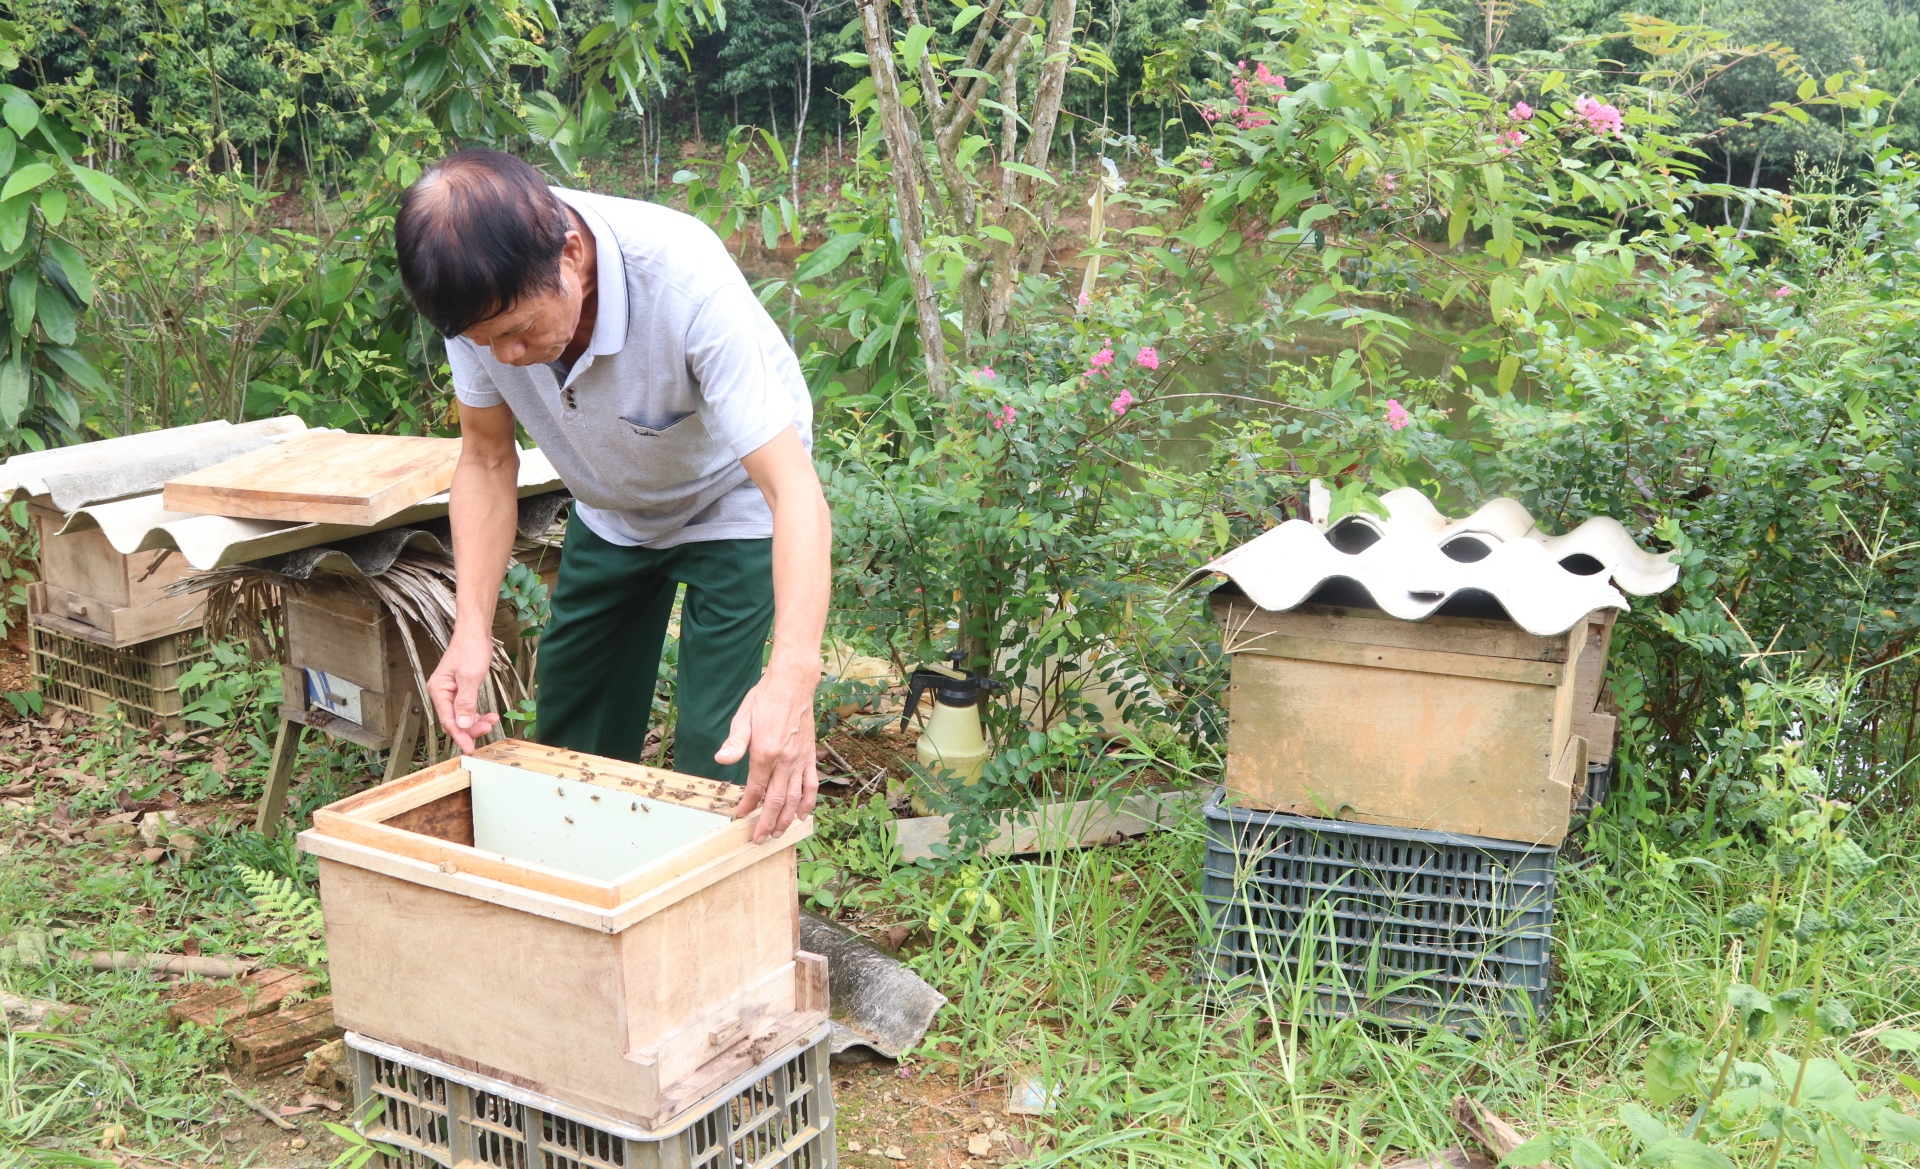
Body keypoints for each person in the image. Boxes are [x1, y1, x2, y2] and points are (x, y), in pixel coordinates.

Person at [393, 149, 829, 842]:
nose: (504, 357)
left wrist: (793, 677)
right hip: (611, 508)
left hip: (734, 496)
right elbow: (485, 458)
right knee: (572, 738)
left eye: (517, 332)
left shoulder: (687, 284)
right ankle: (584, 875)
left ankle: (717, 890)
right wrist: (471, 628)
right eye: (482, 341)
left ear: (571, 253)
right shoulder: (477, 291)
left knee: (723, 750)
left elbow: (794, 489)